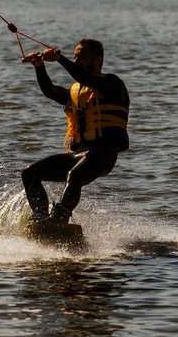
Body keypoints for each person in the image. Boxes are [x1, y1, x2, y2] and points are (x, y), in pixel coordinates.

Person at [21, 38, 130, 225]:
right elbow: (51, 91)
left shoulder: (113, 84)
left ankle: (59, 220)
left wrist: (60, 59)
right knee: (29, 173)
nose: (77, 60)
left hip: (105, 153)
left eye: (82, 57)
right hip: (81, 155)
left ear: (98, 60)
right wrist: (39, 66)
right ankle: (41, 219)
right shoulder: (77, 91)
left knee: (75, 176)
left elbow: (84, 77)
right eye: (75, 57)